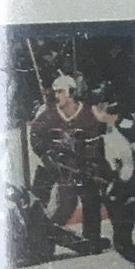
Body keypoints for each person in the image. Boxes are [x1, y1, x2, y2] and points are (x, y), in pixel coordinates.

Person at [28, 73, 107, 250]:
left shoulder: (87, 113)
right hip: (56, 165)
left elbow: (94, 142)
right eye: (55, 92)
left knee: (90, 196)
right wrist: (45, 154)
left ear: (71, 92)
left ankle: (91, 236)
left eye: (61, 92)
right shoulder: (48, 114)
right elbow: (34, 134)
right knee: (52, 198)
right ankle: (40, 234)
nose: (57, 96)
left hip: (78, 165)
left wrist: (90, 163)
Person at [90, 84, 135, 266]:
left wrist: (116, 190)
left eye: (97, 107)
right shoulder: (110, 130)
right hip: (123, 190)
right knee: (123, 242)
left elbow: (127, 167)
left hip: (128, 192)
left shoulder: (122, 130)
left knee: (124, 241)